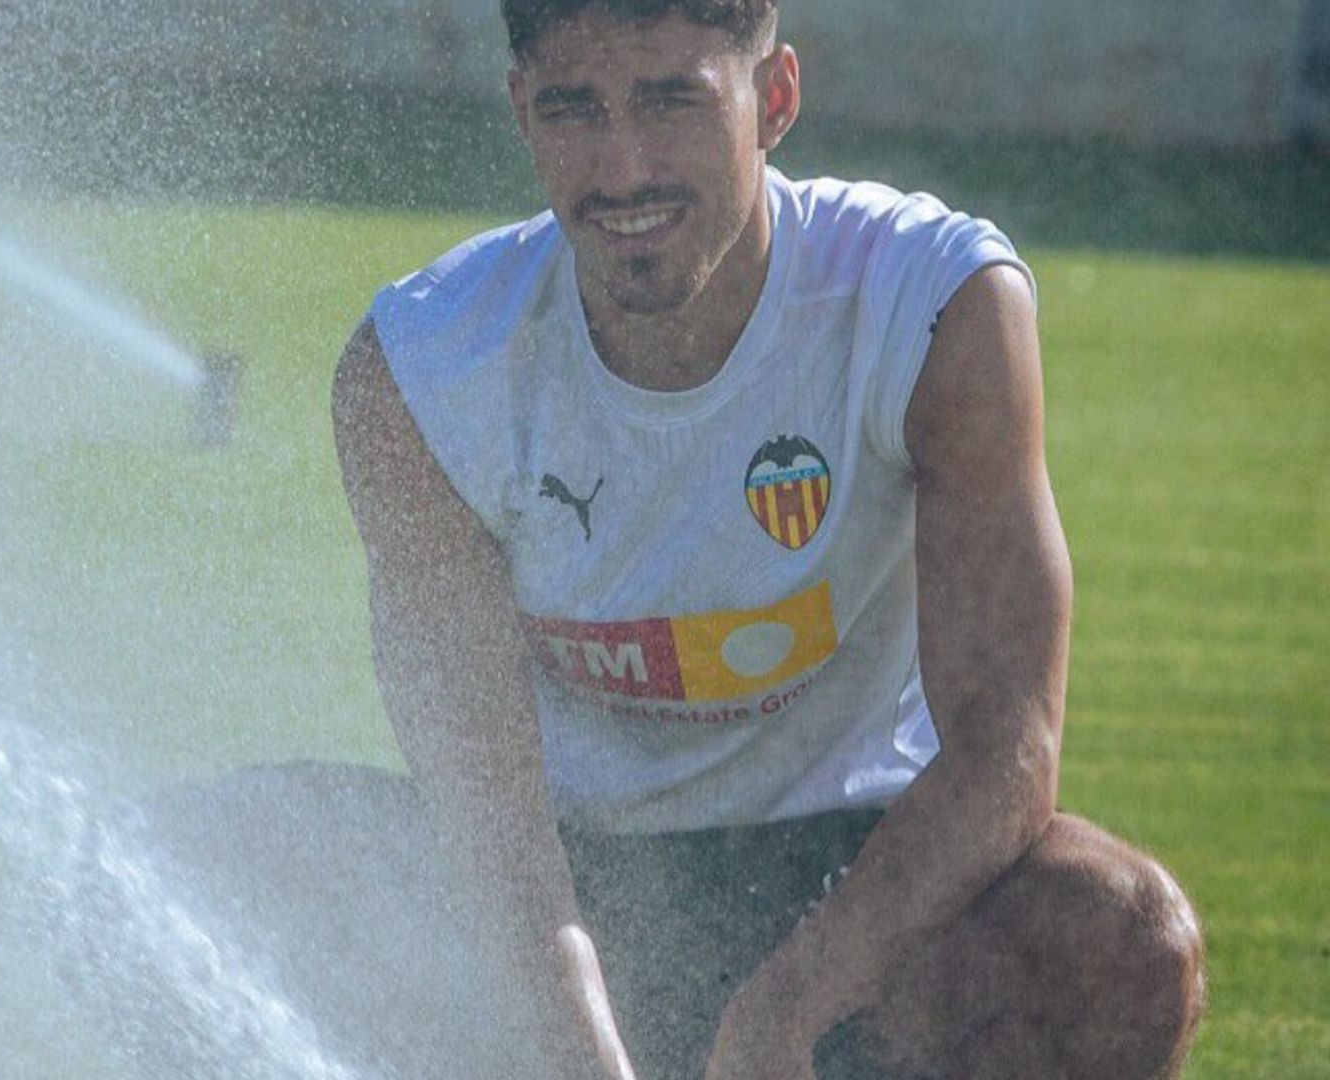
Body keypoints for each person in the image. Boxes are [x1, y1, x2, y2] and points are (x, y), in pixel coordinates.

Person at [324, 1, 1208, 1077]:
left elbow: (1005, 755)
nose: (623, 170)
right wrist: (582, 1057)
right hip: (571, 886)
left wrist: (777, 1022)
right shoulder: (421, 370)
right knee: (181, 861)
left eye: (670, 103)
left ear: (774, 97)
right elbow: (490, 826)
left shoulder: (930, 299)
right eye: (573, 109)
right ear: (520, 110)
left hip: (852, 884)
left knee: (1122, 935)